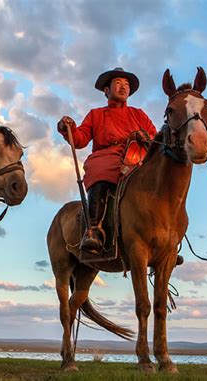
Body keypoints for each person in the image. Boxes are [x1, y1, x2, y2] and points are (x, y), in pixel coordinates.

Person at [57, 67, 156, 259]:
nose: (123, 87)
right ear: (106, 90)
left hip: (137, 159)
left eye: (126, 85)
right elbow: (80, 139)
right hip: (107, 156)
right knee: (100, 171)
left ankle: (166, 239)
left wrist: (145, 136)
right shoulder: (96, 114)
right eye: (118, 83)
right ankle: (94, 229)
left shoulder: (139, 114)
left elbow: (155, 137)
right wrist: (67, 128)